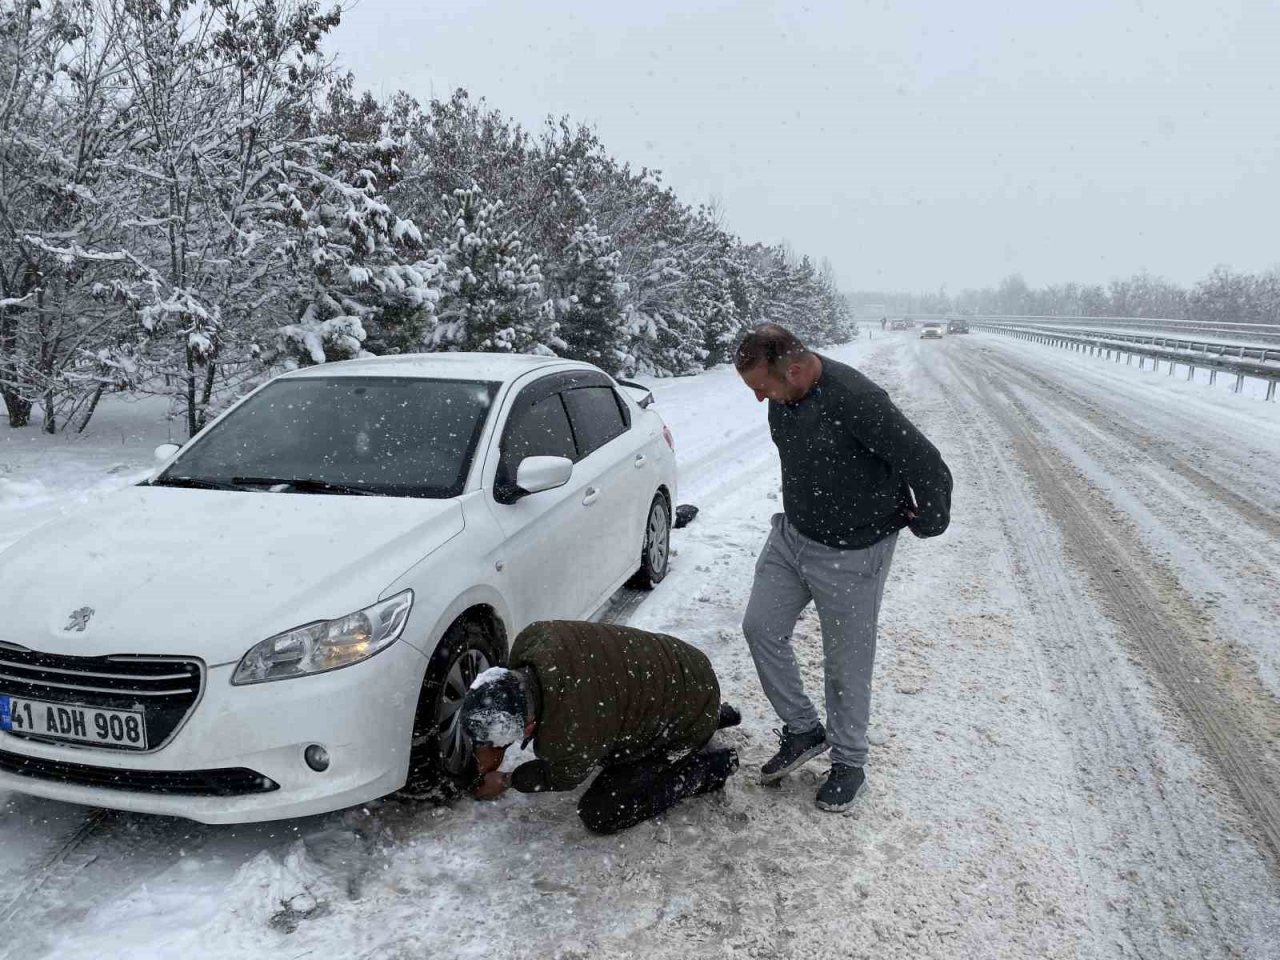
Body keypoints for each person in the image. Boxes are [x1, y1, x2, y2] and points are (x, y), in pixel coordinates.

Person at [735, 323, 952, 812]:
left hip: (854, 551)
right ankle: (804, 730)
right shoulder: (784, 396)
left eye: (761, 388)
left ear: (793, 370)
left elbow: (926, 462)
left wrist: (930, 520)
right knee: (760, 628)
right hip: (792, 537)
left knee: (845, 660)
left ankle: (850, 761)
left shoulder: (858, 399)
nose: (759, 399)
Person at [461, 620, 741, 834]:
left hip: (684, 715)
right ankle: (712, 714)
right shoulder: (533, 639)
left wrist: (509, 779)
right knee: (619, 712)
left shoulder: (573, 731)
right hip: (684, 667)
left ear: (528, 726)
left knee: (601, 812)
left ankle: (711, 767)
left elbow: (562, 776)